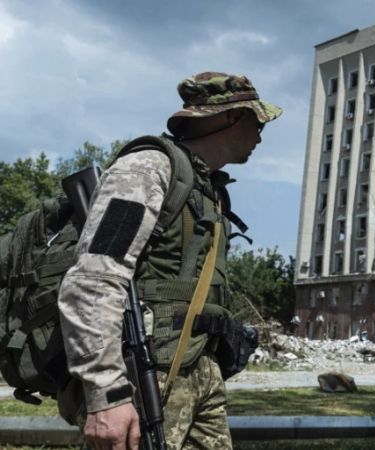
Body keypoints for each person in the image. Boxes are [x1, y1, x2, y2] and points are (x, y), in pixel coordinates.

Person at [58, 72, 281, 450]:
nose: (261, 133)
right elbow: (94, 279)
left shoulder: (205, 187)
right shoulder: (148, 169)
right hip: (146, 373)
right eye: (256, 121)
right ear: (229, 117)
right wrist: (106, 393)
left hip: (198, 370)